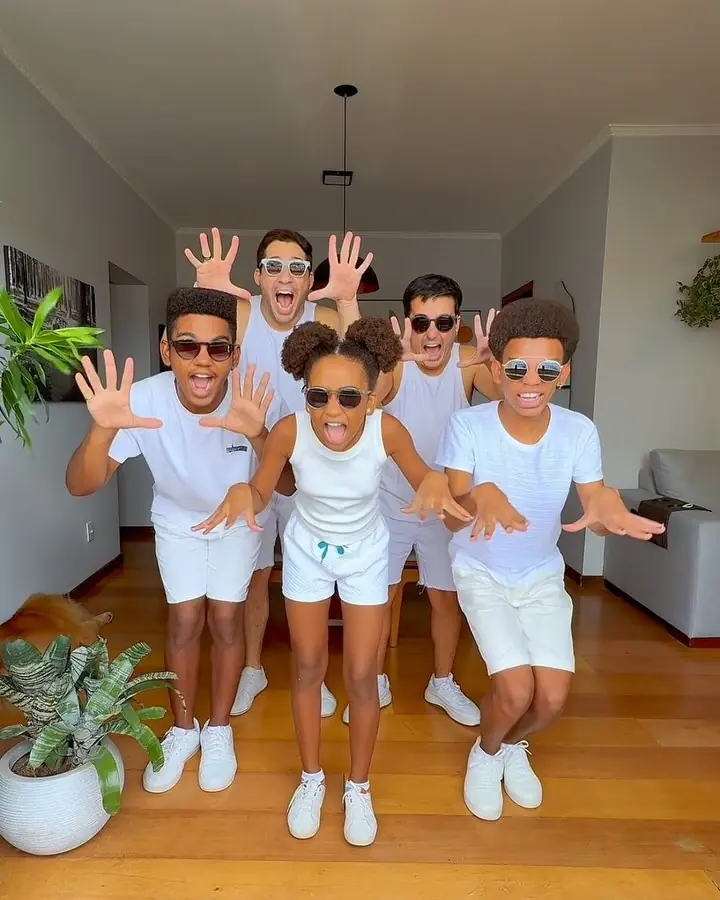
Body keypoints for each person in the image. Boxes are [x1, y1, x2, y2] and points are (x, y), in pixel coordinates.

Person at [195, 317, 471, 846]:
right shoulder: (289, 430)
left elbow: (424, 477)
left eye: (349, 397)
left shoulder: (387, 431)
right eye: (318, 396)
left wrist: (437, 484)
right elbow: (263, 491)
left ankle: (358, 787)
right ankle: (311, 778)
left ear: (372, 398)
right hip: (307, 554)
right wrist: (242, 493)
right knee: (307, 668)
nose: (333, 411)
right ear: (305, 394)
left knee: (363, 677)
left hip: (366, 555)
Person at [435, 298, 665, 821]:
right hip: (481, 571)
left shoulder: (578, 431)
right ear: (497, 368)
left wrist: (606, 511)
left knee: (553, 699)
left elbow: (594, 502)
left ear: (565, 373)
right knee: (515, 690)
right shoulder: (468, 426)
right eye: (517, 368)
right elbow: (450, 517)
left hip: (540, 574)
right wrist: (478, 497)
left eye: (546, 369)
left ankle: (511, 745)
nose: (530, 382)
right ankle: (486, 752)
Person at [66, 288, 289, 794]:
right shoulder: (143, 400)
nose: (203, 360)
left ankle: (219, 730)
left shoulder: (252, 398)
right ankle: (184, 729)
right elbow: (80, 484)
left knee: (227, 618)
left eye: (218, 348)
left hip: (238, 520)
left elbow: (289, 484)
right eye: (188, 346)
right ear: (167, 350)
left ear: (234, 354)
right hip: (175, 519)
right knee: (185, 619)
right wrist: (101, 430)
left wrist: (259, 435)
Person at [185, 228, 370, 718]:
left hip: (312, 466)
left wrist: (347, 301)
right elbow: (199, 344)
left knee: (314, 574)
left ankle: (314, 675)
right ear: (258, 276)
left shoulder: (323, 318)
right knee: (256, 571)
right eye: (273, 267)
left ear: (309, 281)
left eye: (296, 269)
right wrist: (208, 294)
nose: (284, 277)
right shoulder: (241, 314)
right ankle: (253, 669)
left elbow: (365, 367)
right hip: (251, 461)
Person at [341, 274, 502, 726]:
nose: (432, 334)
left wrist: (496, 365)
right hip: (390, 502)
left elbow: (516, 401)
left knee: (446, 600)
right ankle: (373, 683)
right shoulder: (395, 365)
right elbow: (361, 404)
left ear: (457, 324)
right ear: (407, 322)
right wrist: (386, 363)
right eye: (421, 322)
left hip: (447, 506)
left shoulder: (470, 363)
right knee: (379, 597)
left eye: (444, 322)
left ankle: (442, 681)